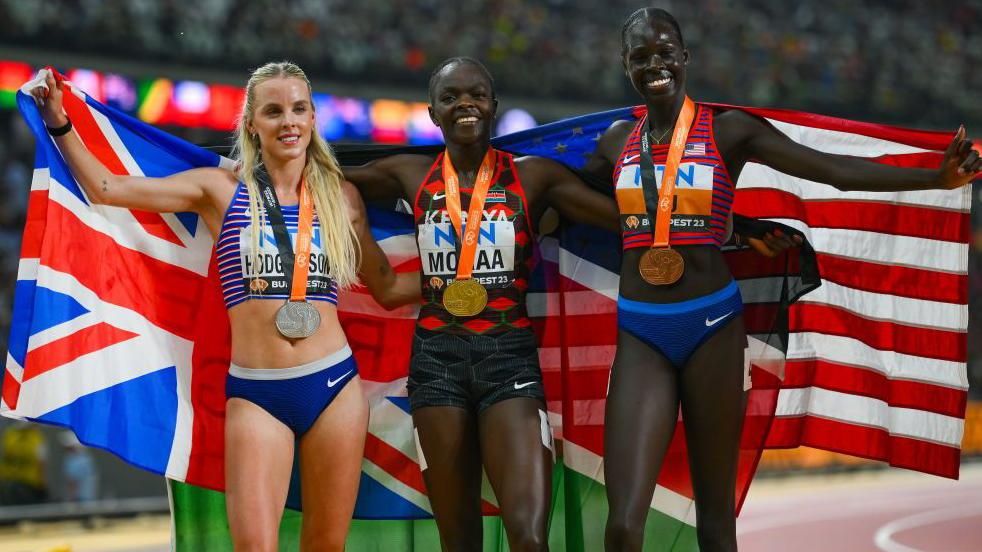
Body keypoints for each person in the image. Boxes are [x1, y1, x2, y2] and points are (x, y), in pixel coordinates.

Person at [584, 8, 981, 551]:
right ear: (625, 65)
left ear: (684, 57)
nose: (654, 65)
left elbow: (833, 171)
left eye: (664, 52)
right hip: (641, 333)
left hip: (712, 330)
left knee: (716, 518)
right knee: (624, 523)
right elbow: (575, 197)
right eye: (640, 56)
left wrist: (932, 177)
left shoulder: (730, 130)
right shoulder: (614, 142)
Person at [30, 61, 415, 551]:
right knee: (253, 546)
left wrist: (464, 280)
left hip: (335, 386)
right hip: (258, 393)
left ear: (314, 118)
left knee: (326, 546)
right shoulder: (219, 190)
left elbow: (385, 286)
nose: (288, 122)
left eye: (299, 109)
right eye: (273, 111)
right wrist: (59, 122)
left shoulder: (342, 198)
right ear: (252, 123)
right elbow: (107, 190)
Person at [343, 57, 628, 552]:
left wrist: (728, 223)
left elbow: (630, 222)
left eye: (475, 94)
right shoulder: (410, 173)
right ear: (433, 113)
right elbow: (323, 180)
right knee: (460, 543)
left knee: (529, 537)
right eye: (450, 97)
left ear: (494, 106)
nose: (464, 104)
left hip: (509, 361)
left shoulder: (535, 177)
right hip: (435, 365)